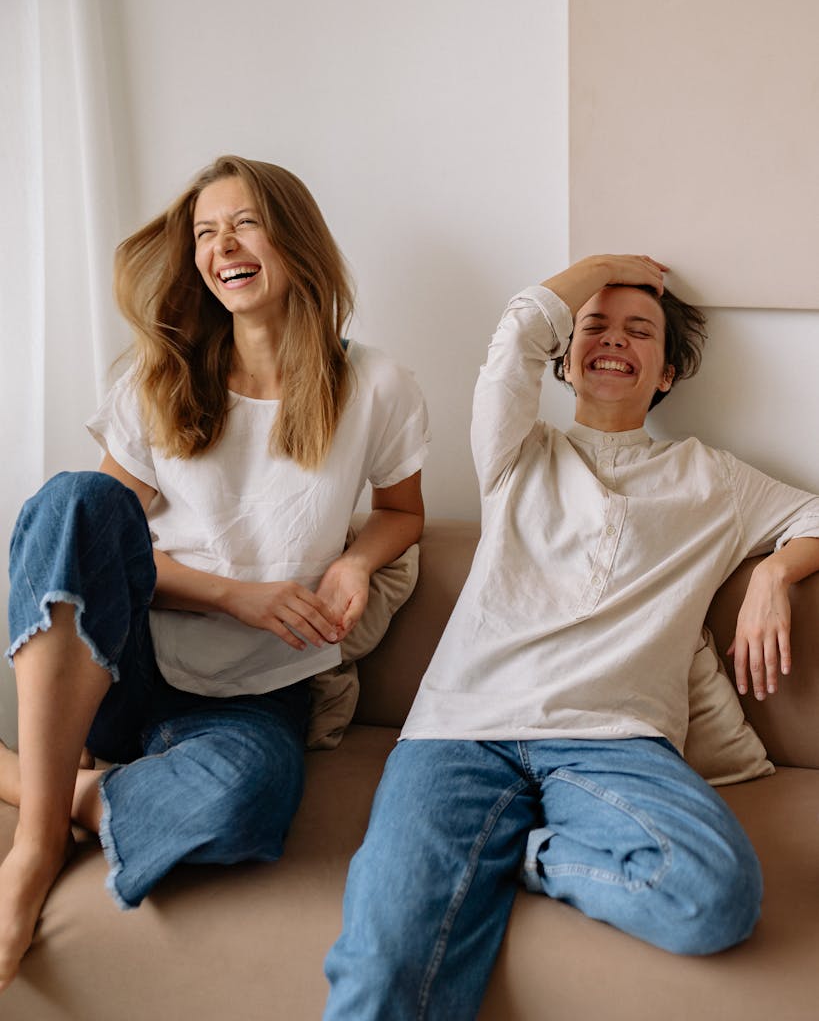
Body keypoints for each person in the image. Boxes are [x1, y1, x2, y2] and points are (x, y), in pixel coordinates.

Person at [323, 255, 819, 1019]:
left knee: (710, 898)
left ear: (666, 372)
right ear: (564, 358)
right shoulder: (516, 451)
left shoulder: (711, 480)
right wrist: (615, 267)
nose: (613, 339)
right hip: (459, 731)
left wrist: (772, 575)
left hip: (614, 741)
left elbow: (814, 516)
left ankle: (522, 857)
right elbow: (515, 335)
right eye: (594, 325)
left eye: (639, 330)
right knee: (383, 957)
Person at [0, 155, 428, 992]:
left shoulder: (376, 385)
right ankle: (37, 842)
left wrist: (353, 563)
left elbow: (402, 513)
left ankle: (37, 783)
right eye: (203, 231)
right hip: (128, 667)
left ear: (292, 240)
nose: (220, 245)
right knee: (78, 496)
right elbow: (98, 545)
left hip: (256, 699)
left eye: (242, 223)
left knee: (244, 806)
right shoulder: (154, 378)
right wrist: (237, 595)